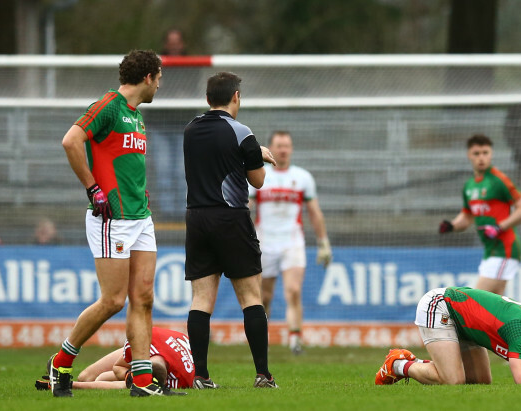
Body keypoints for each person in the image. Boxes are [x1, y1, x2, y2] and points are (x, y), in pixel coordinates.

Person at [53, 50, 164, 398]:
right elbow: (71, 140)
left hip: (140, 217)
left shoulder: (137, 116)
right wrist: (92, 187)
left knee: (143, 299)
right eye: (159, 78)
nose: (160, 85)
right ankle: (60, 363)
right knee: (113, 301)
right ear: (147, 77)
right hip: (112, 219)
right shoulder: (109, 106)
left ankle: (143, 383)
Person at [183, 71, 278, 389]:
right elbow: (258, 180)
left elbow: (210, 164)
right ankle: (263, 375)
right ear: (236, 97)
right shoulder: (242, 133)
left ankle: (201, 376)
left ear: (208, 99)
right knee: (251, 297)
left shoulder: (190, 130)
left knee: (201, 300)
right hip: (231, 219)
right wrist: (256, 155)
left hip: (197, 219)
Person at [375, 286, 521, 386]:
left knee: (479, 382)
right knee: (453, 380)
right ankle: (397, 365)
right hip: (443, 306)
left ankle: (430, 364)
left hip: (467, 324)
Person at [248, 130, 332, 355]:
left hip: (292, 242)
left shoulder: (303, 177)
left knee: (293, 291)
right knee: (264, 296)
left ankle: (295, 340)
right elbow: (246, 207)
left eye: (286, 146)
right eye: (279, 145)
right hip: (264, 243)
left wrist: (323, 242)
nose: (283, 150)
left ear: (291, 149)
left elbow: (314, 212)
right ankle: (260, 340)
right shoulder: (259, 175)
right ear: (270, 148)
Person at [438, 134, 521, 296]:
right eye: (476, 153)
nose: (481, 157)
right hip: (490, 251)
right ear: (469, 155)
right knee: (496, 308)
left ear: (491, 154)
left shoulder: (499, 180)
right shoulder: (469, 186)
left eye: (485, 152)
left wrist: (499, 227)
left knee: (476, 300)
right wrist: (452, 226)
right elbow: (467, 217)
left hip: (504, 248)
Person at [36, 327, 192, 393]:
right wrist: (128, 376)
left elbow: (122, 384)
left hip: (164, 343)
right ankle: (60, 363)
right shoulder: (144, 341)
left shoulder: (181, 378)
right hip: (154, 342)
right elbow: (119, 368)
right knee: (86, 377)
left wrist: (70, 385)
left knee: (100, 378)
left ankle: (65, 379)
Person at [151, 28, 188, 218]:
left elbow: (190, 92)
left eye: (177, 42)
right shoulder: (155, 66)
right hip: (160, 127)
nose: (174, 46)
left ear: (182, 44)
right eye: (170, 42)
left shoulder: (191, 67)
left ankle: (183, 217)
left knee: (182, 173)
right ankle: (167, 215)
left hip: (183, 127)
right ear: (166, 44)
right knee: (164, 172)